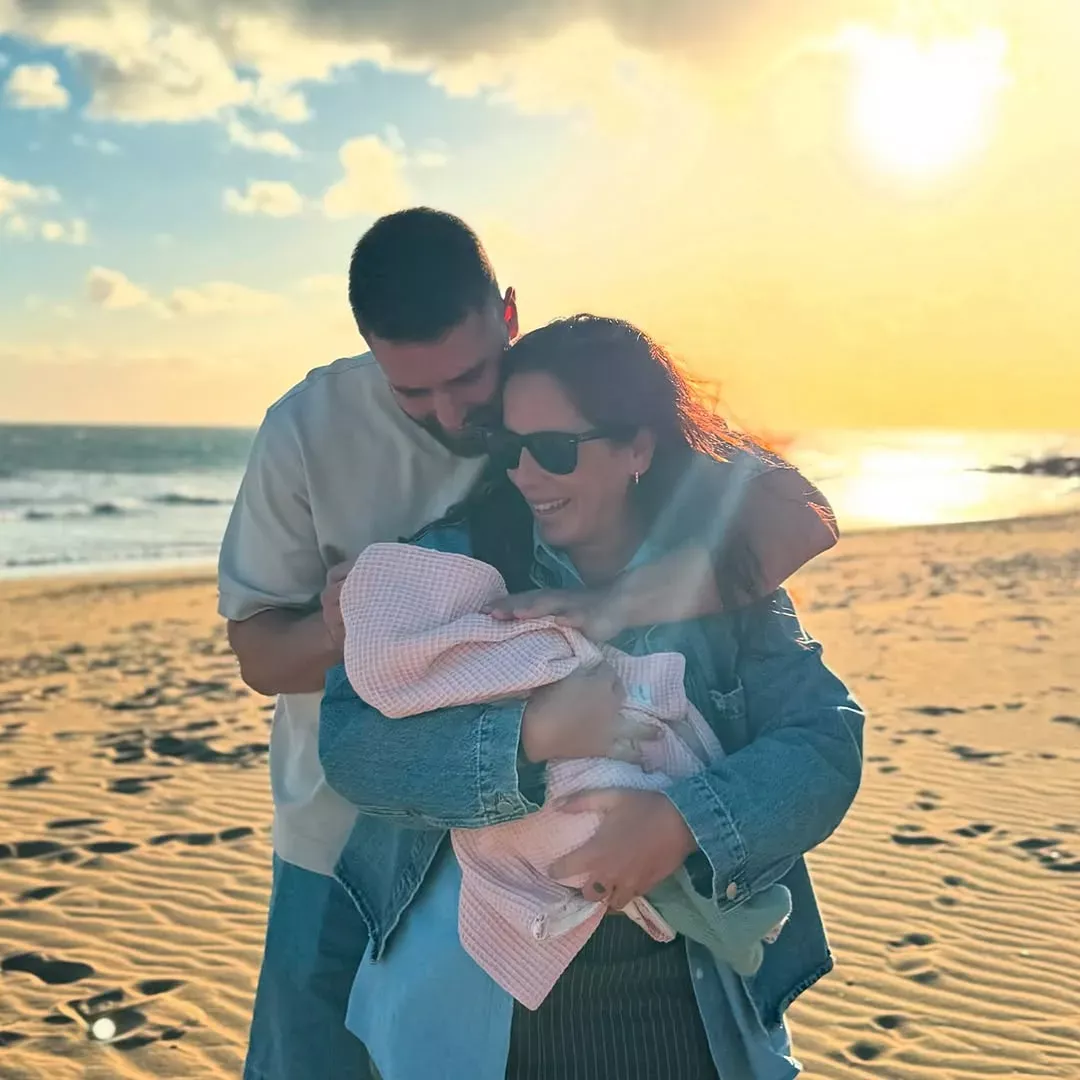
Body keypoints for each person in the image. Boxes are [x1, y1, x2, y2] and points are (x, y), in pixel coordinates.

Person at [219, 209, 838, 1080]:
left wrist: (614, 607)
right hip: (348, 832)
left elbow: (802, 519)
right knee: (313, 1058)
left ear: (506, 316)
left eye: (470, 379)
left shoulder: (567, 393)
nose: (452, 413)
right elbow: (261, 659)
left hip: (591, 877)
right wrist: (348, 623)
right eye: (414, 393)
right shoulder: (309, 428)